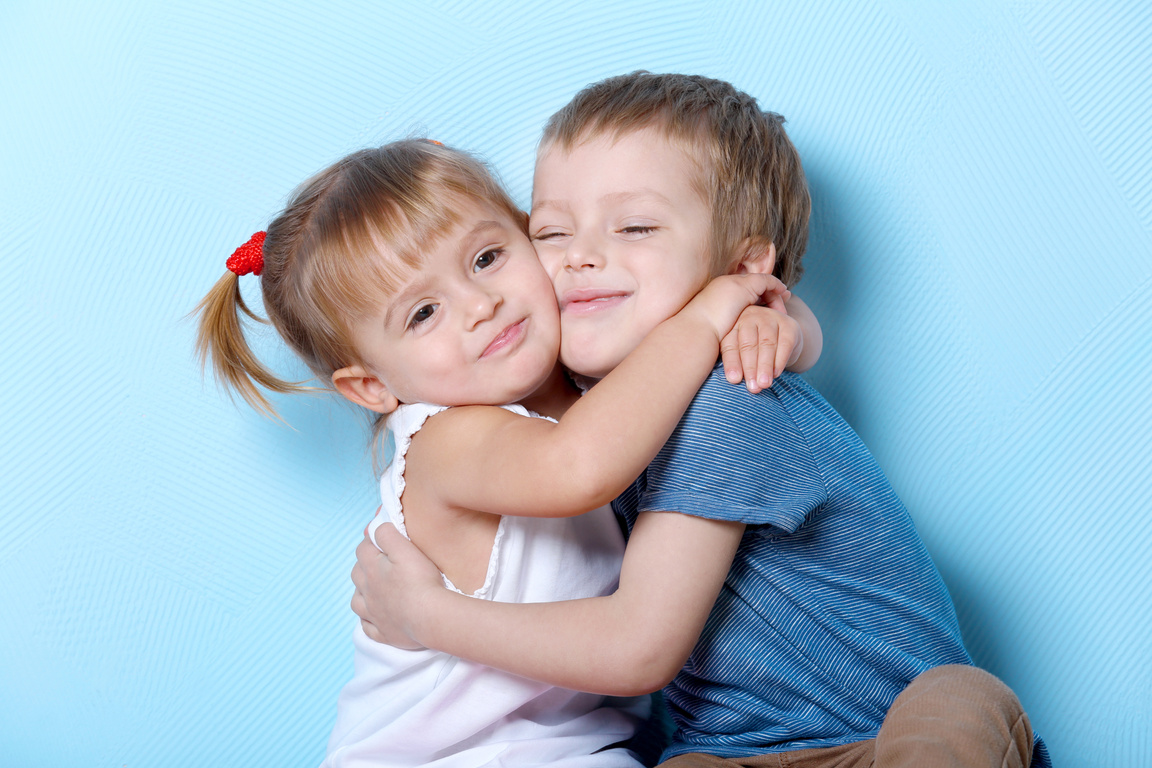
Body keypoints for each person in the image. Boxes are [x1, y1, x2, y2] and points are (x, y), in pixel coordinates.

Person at [351, 73, 1051, 768]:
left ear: (742, 267)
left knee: (960, 700)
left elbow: (638, 646)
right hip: (725, 755)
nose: (582, 255)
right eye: (552, 230)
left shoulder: (729, 400)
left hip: (882, 737)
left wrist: (426, 618)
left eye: (635, 227)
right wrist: (782, 319)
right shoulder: (595, 407)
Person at [195, 139, 812, 768]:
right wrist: (707, 319)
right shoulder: (445, 440)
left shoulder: (596, 384)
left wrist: (766, 320)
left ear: (531, 237)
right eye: (424, 313)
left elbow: (739, 342)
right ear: (371, 386)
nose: (480, 304)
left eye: (487, 258)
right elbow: (579, 467)